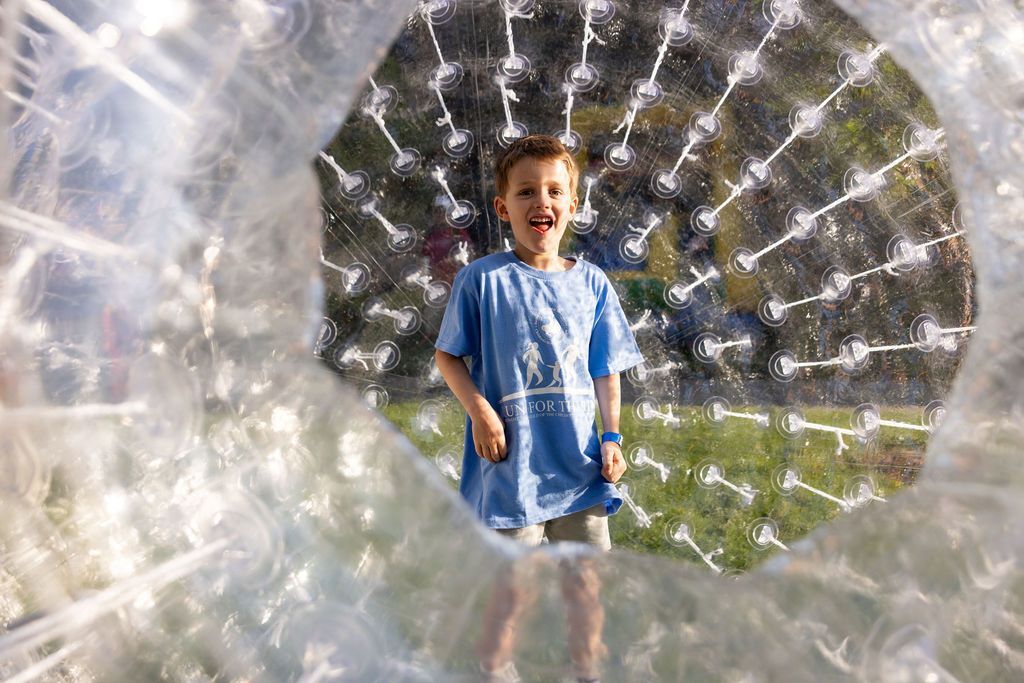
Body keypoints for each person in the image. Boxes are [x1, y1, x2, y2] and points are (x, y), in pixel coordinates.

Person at [434, 135, 644, 682]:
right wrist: (480, 410)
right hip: (513, 472)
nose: (540, 202)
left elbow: (605, 369)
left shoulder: (592, 284)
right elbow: (447, 356)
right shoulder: (482, 280)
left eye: (554, 191)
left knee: (586, 587)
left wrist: (613, 437)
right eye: (526, 192)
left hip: (579, 469)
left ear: (572, 204)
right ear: (504, 208)